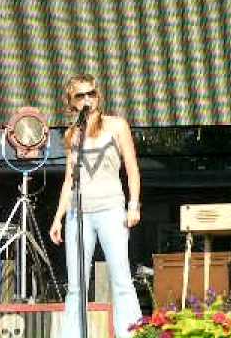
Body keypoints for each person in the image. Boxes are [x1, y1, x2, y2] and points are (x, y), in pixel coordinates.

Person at [50, 74, 142, 337]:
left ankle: (131, 333)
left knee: (121, 279)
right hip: (79, 214)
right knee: (76, 285)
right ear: (71, 102)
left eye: (92, 93)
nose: (88, 99)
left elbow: (132, 169)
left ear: (98, 96)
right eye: (81, 95)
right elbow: (70, 179)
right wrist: (58, 217)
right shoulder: (71, 134)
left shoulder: (116, 125)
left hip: (111, 209)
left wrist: (133, 204)